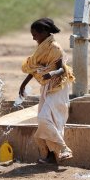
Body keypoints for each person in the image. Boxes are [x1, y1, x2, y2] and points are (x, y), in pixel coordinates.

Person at [19, 18, 75, 164]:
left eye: (35, 34)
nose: (33, 37)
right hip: (45, 86)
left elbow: (62, 69)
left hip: (57, 86)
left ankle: (63, 149)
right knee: (45, 120)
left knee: (45, 118)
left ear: (44, 32)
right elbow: (35, 68)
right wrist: (23, 84)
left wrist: (51, 74)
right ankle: (50, 156)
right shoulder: (41, 47)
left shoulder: (55, 47)